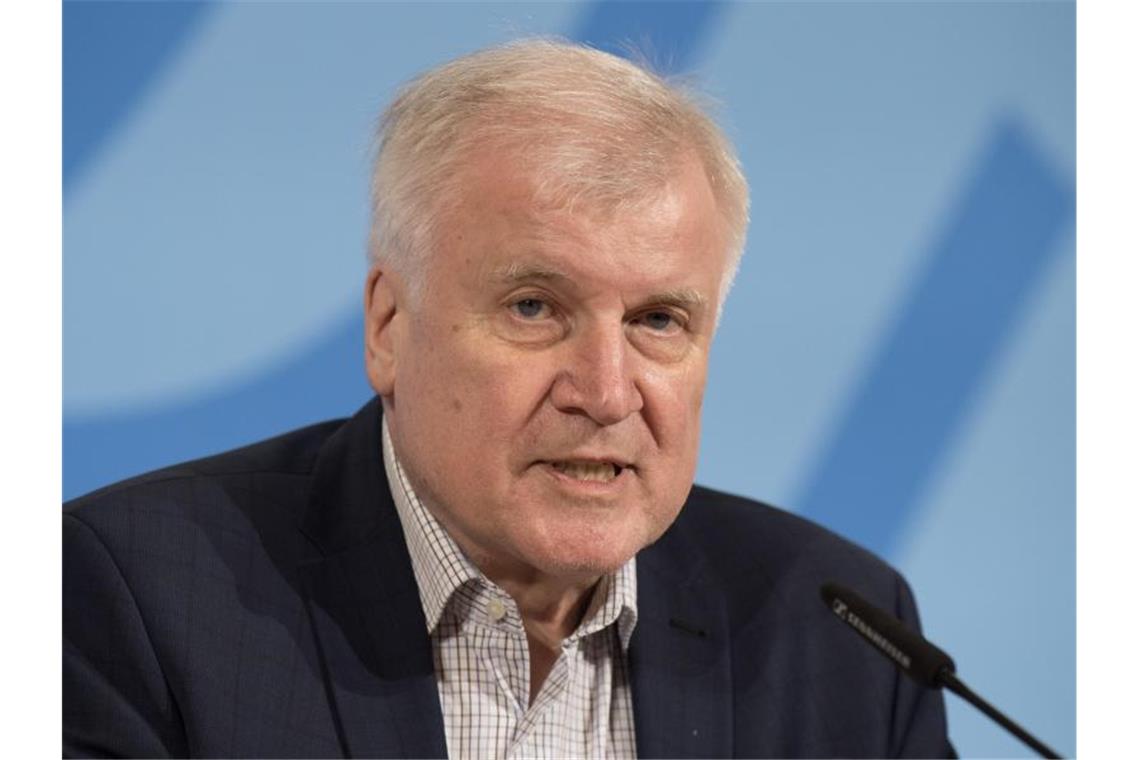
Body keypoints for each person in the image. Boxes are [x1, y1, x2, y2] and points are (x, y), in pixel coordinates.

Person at [63, 39, 952, 758]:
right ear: (387, 327)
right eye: (535, 308)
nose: (605, 392)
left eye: (657, 319)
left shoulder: (842, 642)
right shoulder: (133, 601)